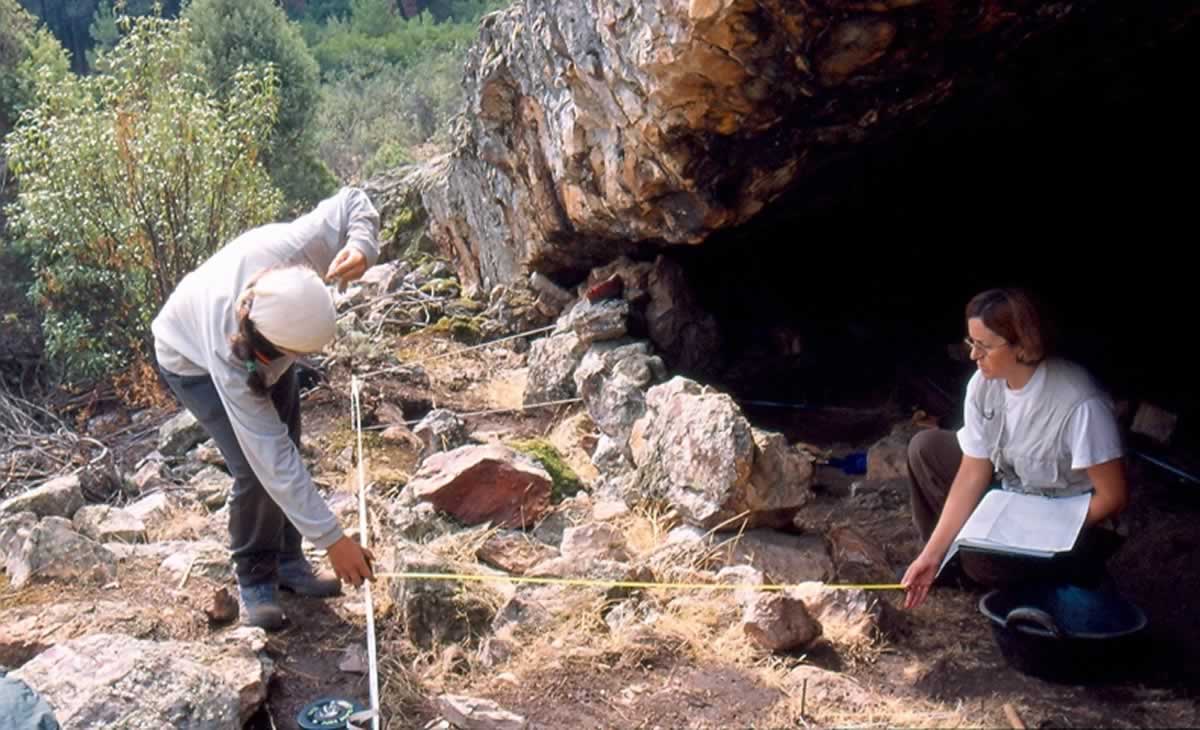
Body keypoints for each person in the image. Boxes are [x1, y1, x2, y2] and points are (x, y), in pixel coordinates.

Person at [152, 187, 380, 630]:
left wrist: (361, 246)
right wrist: (334, 540)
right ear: (266, 347)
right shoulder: (227, 353)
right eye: (278, 359)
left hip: (256, 343)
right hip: (188, 358)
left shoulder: (301, 251)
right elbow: (269, 457)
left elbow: (354, 200)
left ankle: (290, 562)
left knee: (290, 442)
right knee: (254, 469)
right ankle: (256, 578)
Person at [901, 288, 1129, 609]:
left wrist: (1047, 528)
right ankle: (948, 563)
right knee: (926, 447)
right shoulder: (983, 385)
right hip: (1015, 499)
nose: (973, 356)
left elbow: (1114, 497)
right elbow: (973, 470)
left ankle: (1045, 576)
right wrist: (932, 553)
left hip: (1070, 521)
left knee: (981, 562)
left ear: (1022, 344)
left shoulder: (1080, 403)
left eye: (983, 346)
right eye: (971, 343)